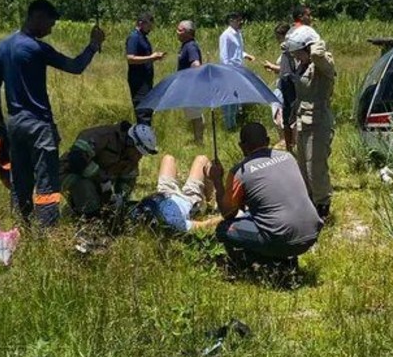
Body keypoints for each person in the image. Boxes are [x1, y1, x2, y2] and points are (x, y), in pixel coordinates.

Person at [0, 0, 105, 226]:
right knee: (47, 184)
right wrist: (93, 45)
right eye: (50, 24)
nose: (50, 30)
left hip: (14, 125)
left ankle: (22, 226)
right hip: (39, 127)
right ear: (38, 17)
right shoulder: (36, 48)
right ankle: (48, 231)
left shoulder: (3, 46)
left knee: (20, 180)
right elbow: (75, 67)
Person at [209, 122, 323, 266]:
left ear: (241, 146)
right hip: (312, 232)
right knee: (256, 216)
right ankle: (282, 257)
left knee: (223, 229)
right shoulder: (288, 157)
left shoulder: (240, 172)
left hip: (281, 238)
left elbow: (228, 214)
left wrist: (217, 181)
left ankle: (262, 264)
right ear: (268, 141)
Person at [283, 26, 336, 219]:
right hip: (302, 119)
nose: (297, 57)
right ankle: (309, 204)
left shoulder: (322, 62)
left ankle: (323, 207)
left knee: (316, 167)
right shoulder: (302, 64)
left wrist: (314, 46)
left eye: (299, 52)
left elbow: (321, 60)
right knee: (303, 167)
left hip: (318, 121)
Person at [61, 121, 157, 218]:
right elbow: (76, 160)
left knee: (113, 208)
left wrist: (119, 198)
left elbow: (127, 182)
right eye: (138, 152)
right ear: (130, 142)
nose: (139, 157)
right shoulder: (101, 136)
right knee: (85, 186)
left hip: (99, 185)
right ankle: (89, 223)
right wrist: (102, 179)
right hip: (67, 174)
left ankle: (75, 212)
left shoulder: (130, 157)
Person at [130, 154, 220, 234]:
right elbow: (204, 225)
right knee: (202, 160)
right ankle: (210, 201)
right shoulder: (174, 222)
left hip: (165, 193)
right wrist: (225, 217)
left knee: (168, 158)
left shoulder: (140, 211)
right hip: (189, 200)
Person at [217, 12, 256, 131]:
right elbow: (224, 57)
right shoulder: (226, 35)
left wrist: (246, 55)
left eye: (242, 20)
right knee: (228, 98)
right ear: (232, 21)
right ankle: (228, 125)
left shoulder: (238, 34)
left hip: (239, 70)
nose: (241, 22)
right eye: (239, 20)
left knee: (236, 98)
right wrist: (228, 72)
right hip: (230, 71)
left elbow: (238, 51)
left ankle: (233, 123)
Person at [126, 12, 165, 124]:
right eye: (149, 25)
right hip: (138, 81)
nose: (150, 29)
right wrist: (151, 58)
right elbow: (130, 58)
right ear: (141, 23)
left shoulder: (143, 37)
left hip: (146, 81)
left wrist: (154, 57)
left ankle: (145, 135)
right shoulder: (134, 37)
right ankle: (142, 138)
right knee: (143, 111)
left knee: (147, 109)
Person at [263, 22, 295, 148]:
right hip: (281, 84)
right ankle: (285, 139)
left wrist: (272, 67)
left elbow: (286, 70)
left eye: (278, 37)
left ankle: (285, 140)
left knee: (280, 112)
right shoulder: (285, 50)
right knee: (278, 111)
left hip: (284, 87)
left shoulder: (288, 50)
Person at [176, 20, 205, 144]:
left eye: (180, 30)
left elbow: (196, 64)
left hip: (191, 87)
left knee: (196, 114)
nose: (177, 32)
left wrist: (191, 82)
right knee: (194, 114)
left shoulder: (190, 46)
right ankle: (197, 139)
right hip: (188, 86)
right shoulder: (186, 45)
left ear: (188, 32)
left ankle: (199, 141)